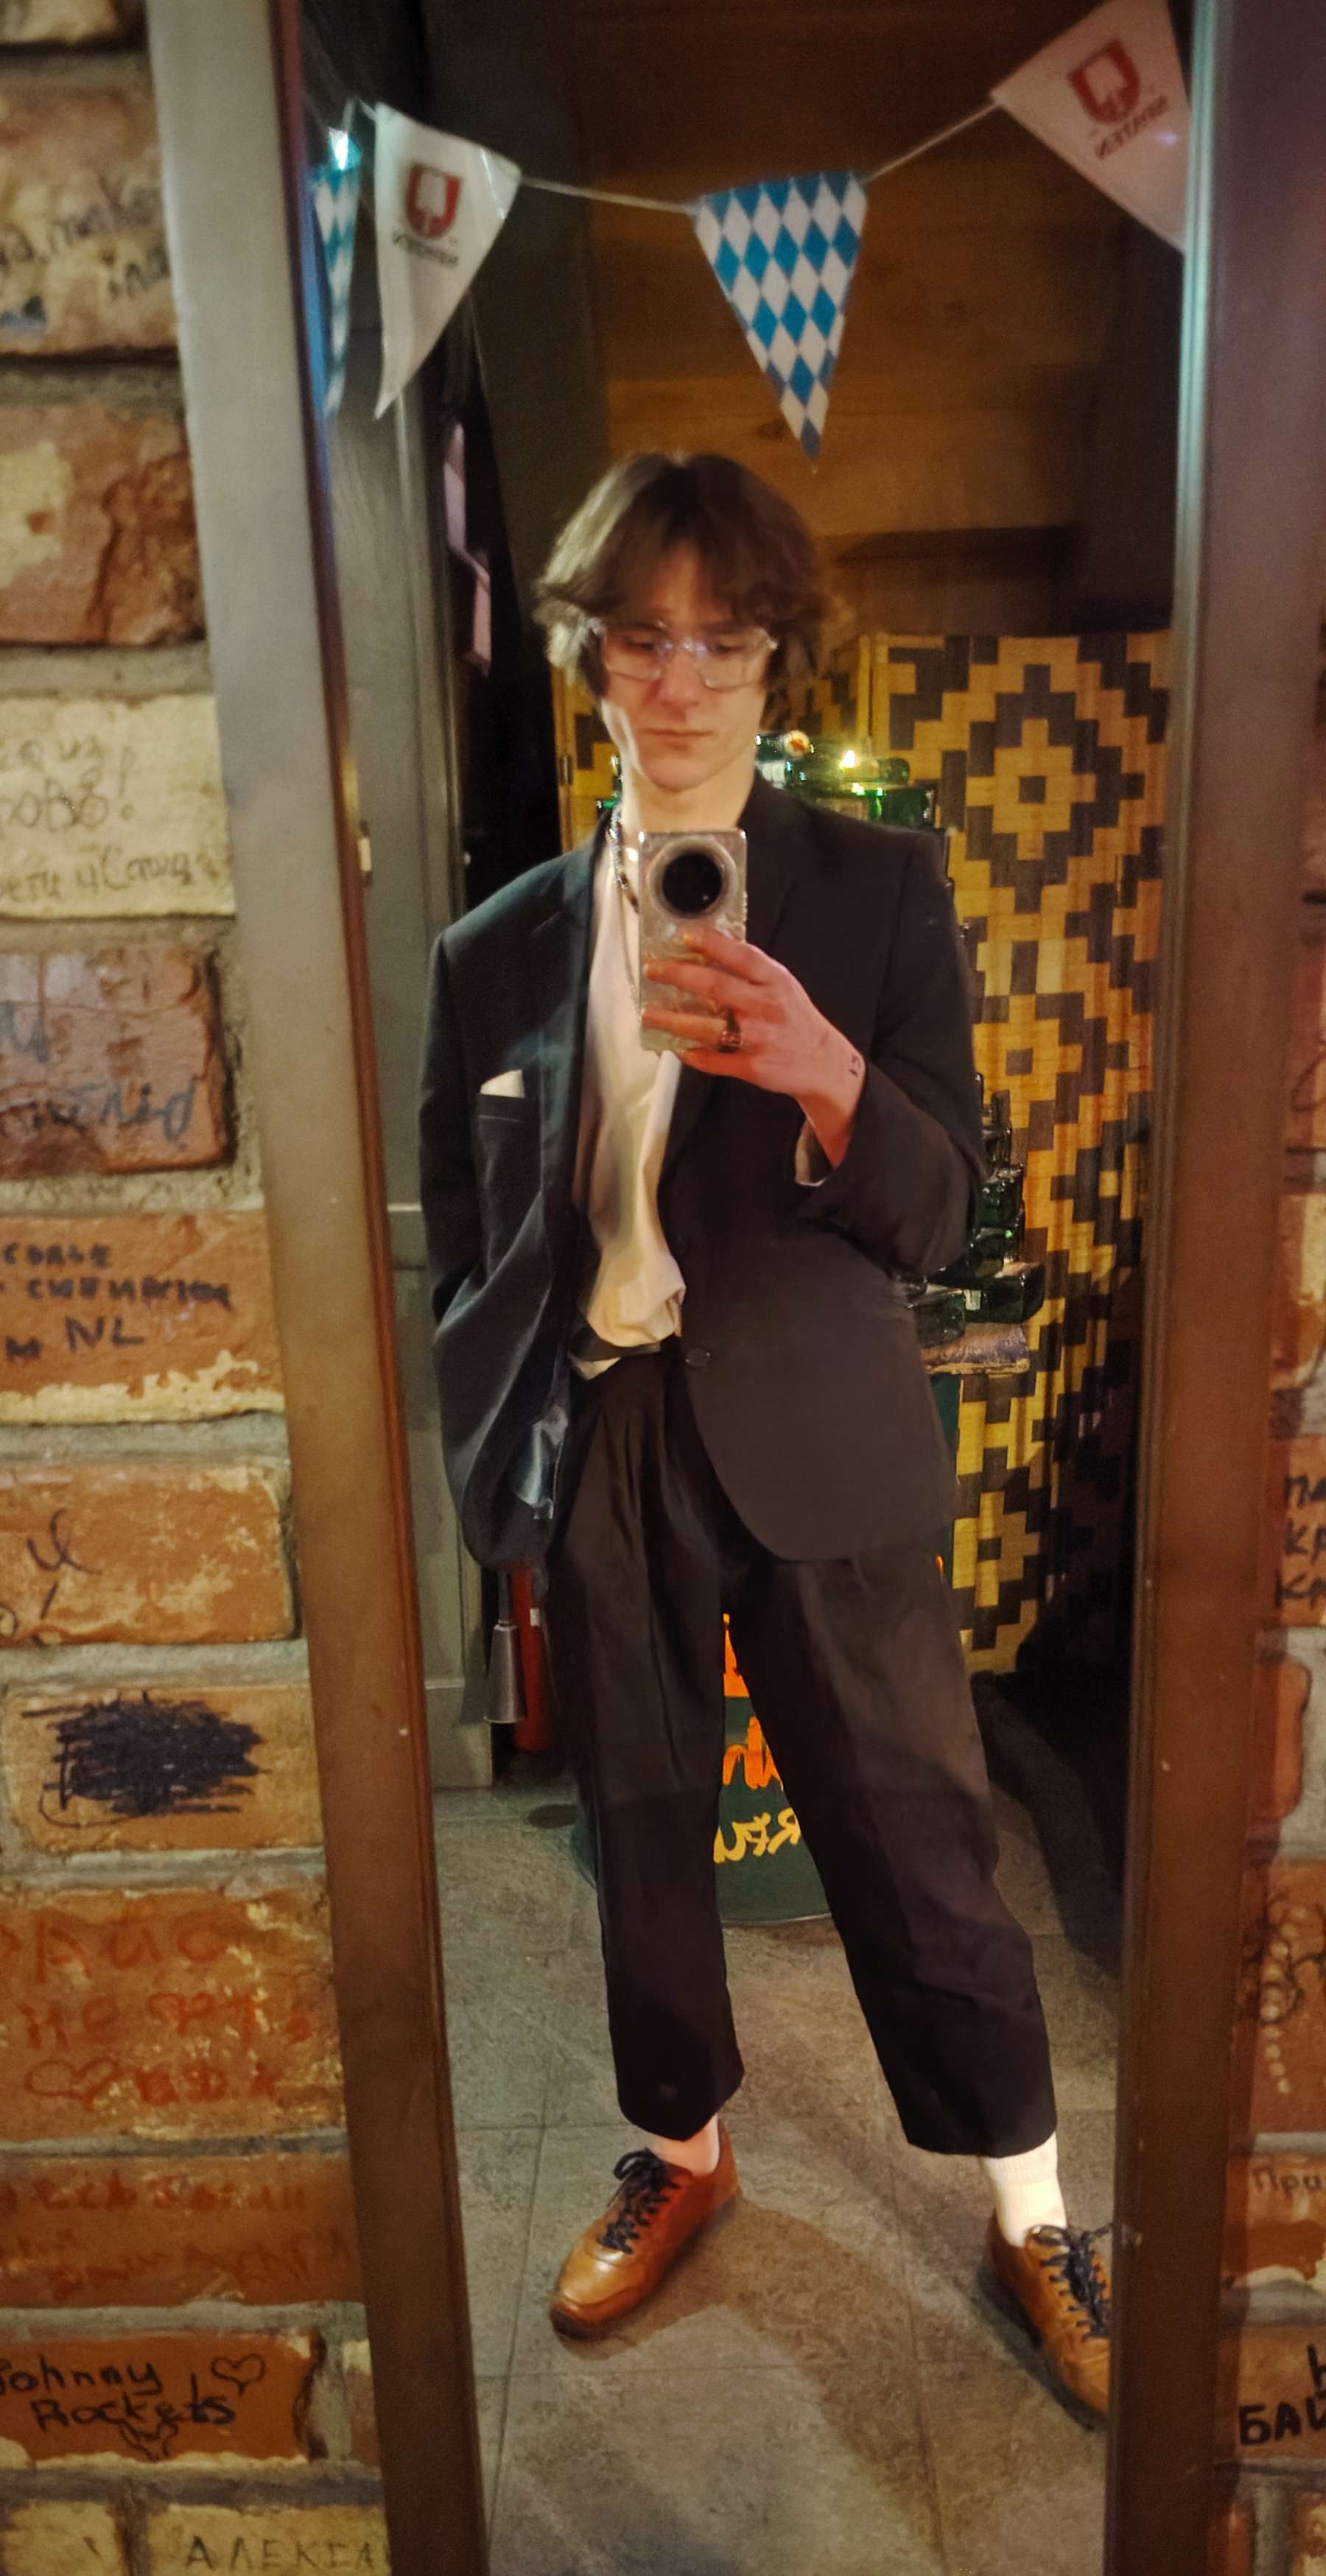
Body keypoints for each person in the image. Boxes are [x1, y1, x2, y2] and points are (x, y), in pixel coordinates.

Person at [418, 451, 1111, 2421]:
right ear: (588, 656)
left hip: (817, 1426)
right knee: (640, 1829)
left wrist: (821, 1070)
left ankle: (1034, 2206)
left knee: (917, 1833)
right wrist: (514, 1417)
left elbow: (944, 1209)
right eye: (642, 637)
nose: (681, 678)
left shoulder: (876, 888)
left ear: (776, 658)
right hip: (611, 1436)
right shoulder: (499, 945)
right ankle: (684, 2153)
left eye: (722, 639)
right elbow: (465, 1222)